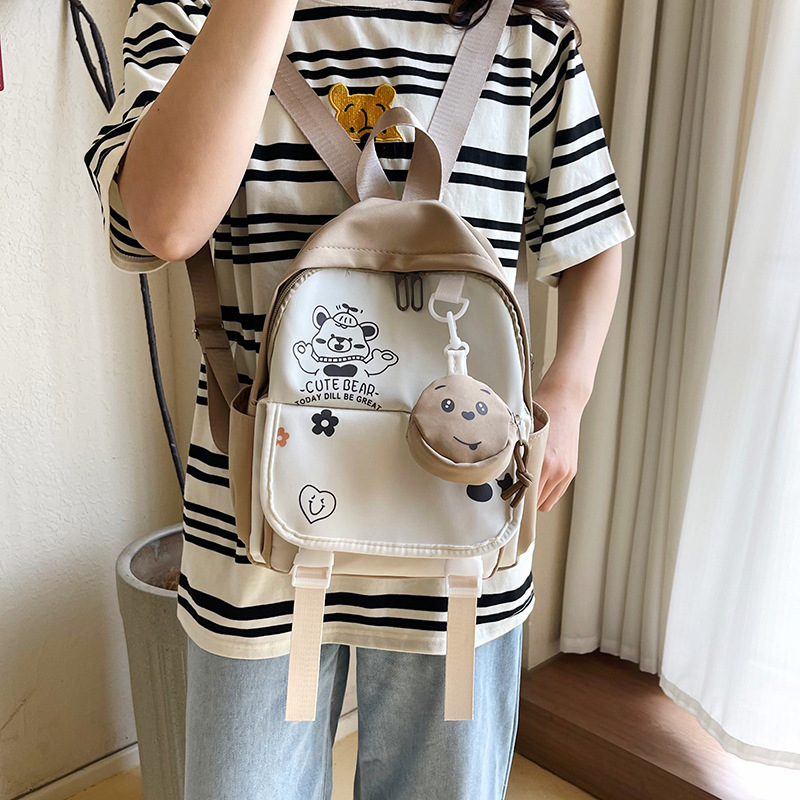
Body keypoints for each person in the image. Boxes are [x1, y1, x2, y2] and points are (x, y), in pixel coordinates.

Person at [84, 0, 635, 797]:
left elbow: (591, 230)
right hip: (256, 528)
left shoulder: (525, 33)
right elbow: (162, 224)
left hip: (461, 522)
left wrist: (569, 394)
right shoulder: (196, 11)